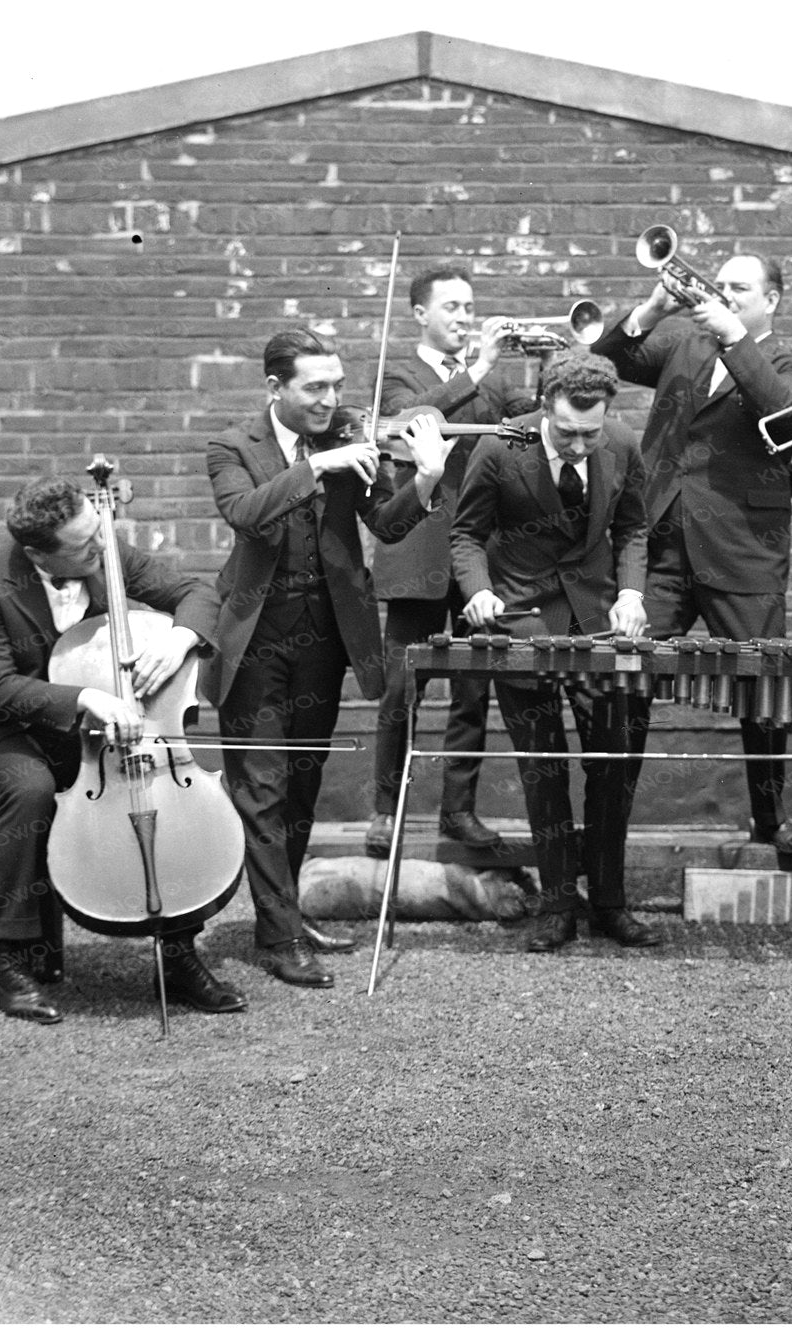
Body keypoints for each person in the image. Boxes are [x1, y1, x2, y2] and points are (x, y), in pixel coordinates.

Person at [0, 475, 241, 1024]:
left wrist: (180, 637)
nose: (101, 549)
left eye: (99, 534)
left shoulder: (106, 547)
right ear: (37, 554)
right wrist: (87, 697)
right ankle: (8, 959)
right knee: (31, 788)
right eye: (84, 546)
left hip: (99, 738)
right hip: (7, 727)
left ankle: (177, 952)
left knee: (162, 804)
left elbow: (197, 594)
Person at [204, 330, 450, 991]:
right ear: (274, 389)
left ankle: (277, 920)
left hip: (324, 642)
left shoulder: (346, 438)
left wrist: (424, 478)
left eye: (337, 385)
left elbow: (389, 525)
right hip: (254, 644)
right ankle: (282, 938)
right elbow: (247, 515)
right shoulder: (232, 448)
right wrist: (319, 465)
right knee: (263, 790)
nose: (331, 399)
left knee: (303, 787)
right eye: (315, 387)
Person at [590, 249, 792, 852]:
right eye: (719, 286)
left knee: (762, 698)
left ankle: (770, 822)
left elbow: (790, 422)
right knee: (626, 683)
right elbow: (603, 362)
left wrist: (735, 340)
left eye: (739, 289)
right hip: (664, 549)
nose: (723, 294)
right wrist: (651, 308)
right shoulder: (682, 346)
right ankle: (607, 831)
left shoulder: (791, 363)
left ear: (770, 300)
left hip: (743, 554)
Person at [450, 353, 662, 953]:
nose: (576, 443)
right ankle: (557, 904)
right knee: (543, 769)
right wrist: (480, 591)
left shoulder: (620, 442)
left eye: (588, 433)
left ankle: (611, 904)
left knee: (613, 765)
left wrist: (630, 592)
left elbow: (633, 528)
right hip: (523, 623)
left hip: (600, 624)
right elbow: (465, 535)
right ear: (546, 406)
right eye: (566, 430)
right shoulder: (499, 450)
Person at [366, 265, 527, 855]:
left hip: (478, 555)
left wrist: (536, 369)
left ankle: (458, 810)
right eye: (452, 308)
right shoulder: (398, 375)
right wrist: (480, 368)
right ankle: (388, 808)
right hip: (416, 554)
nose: (464, 318)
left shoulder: (494, 380)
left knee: (472, 691)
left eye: (468, 307)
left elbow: (531, 424)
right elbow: (411, 425)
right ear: (419, 316)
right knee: (399, 691)